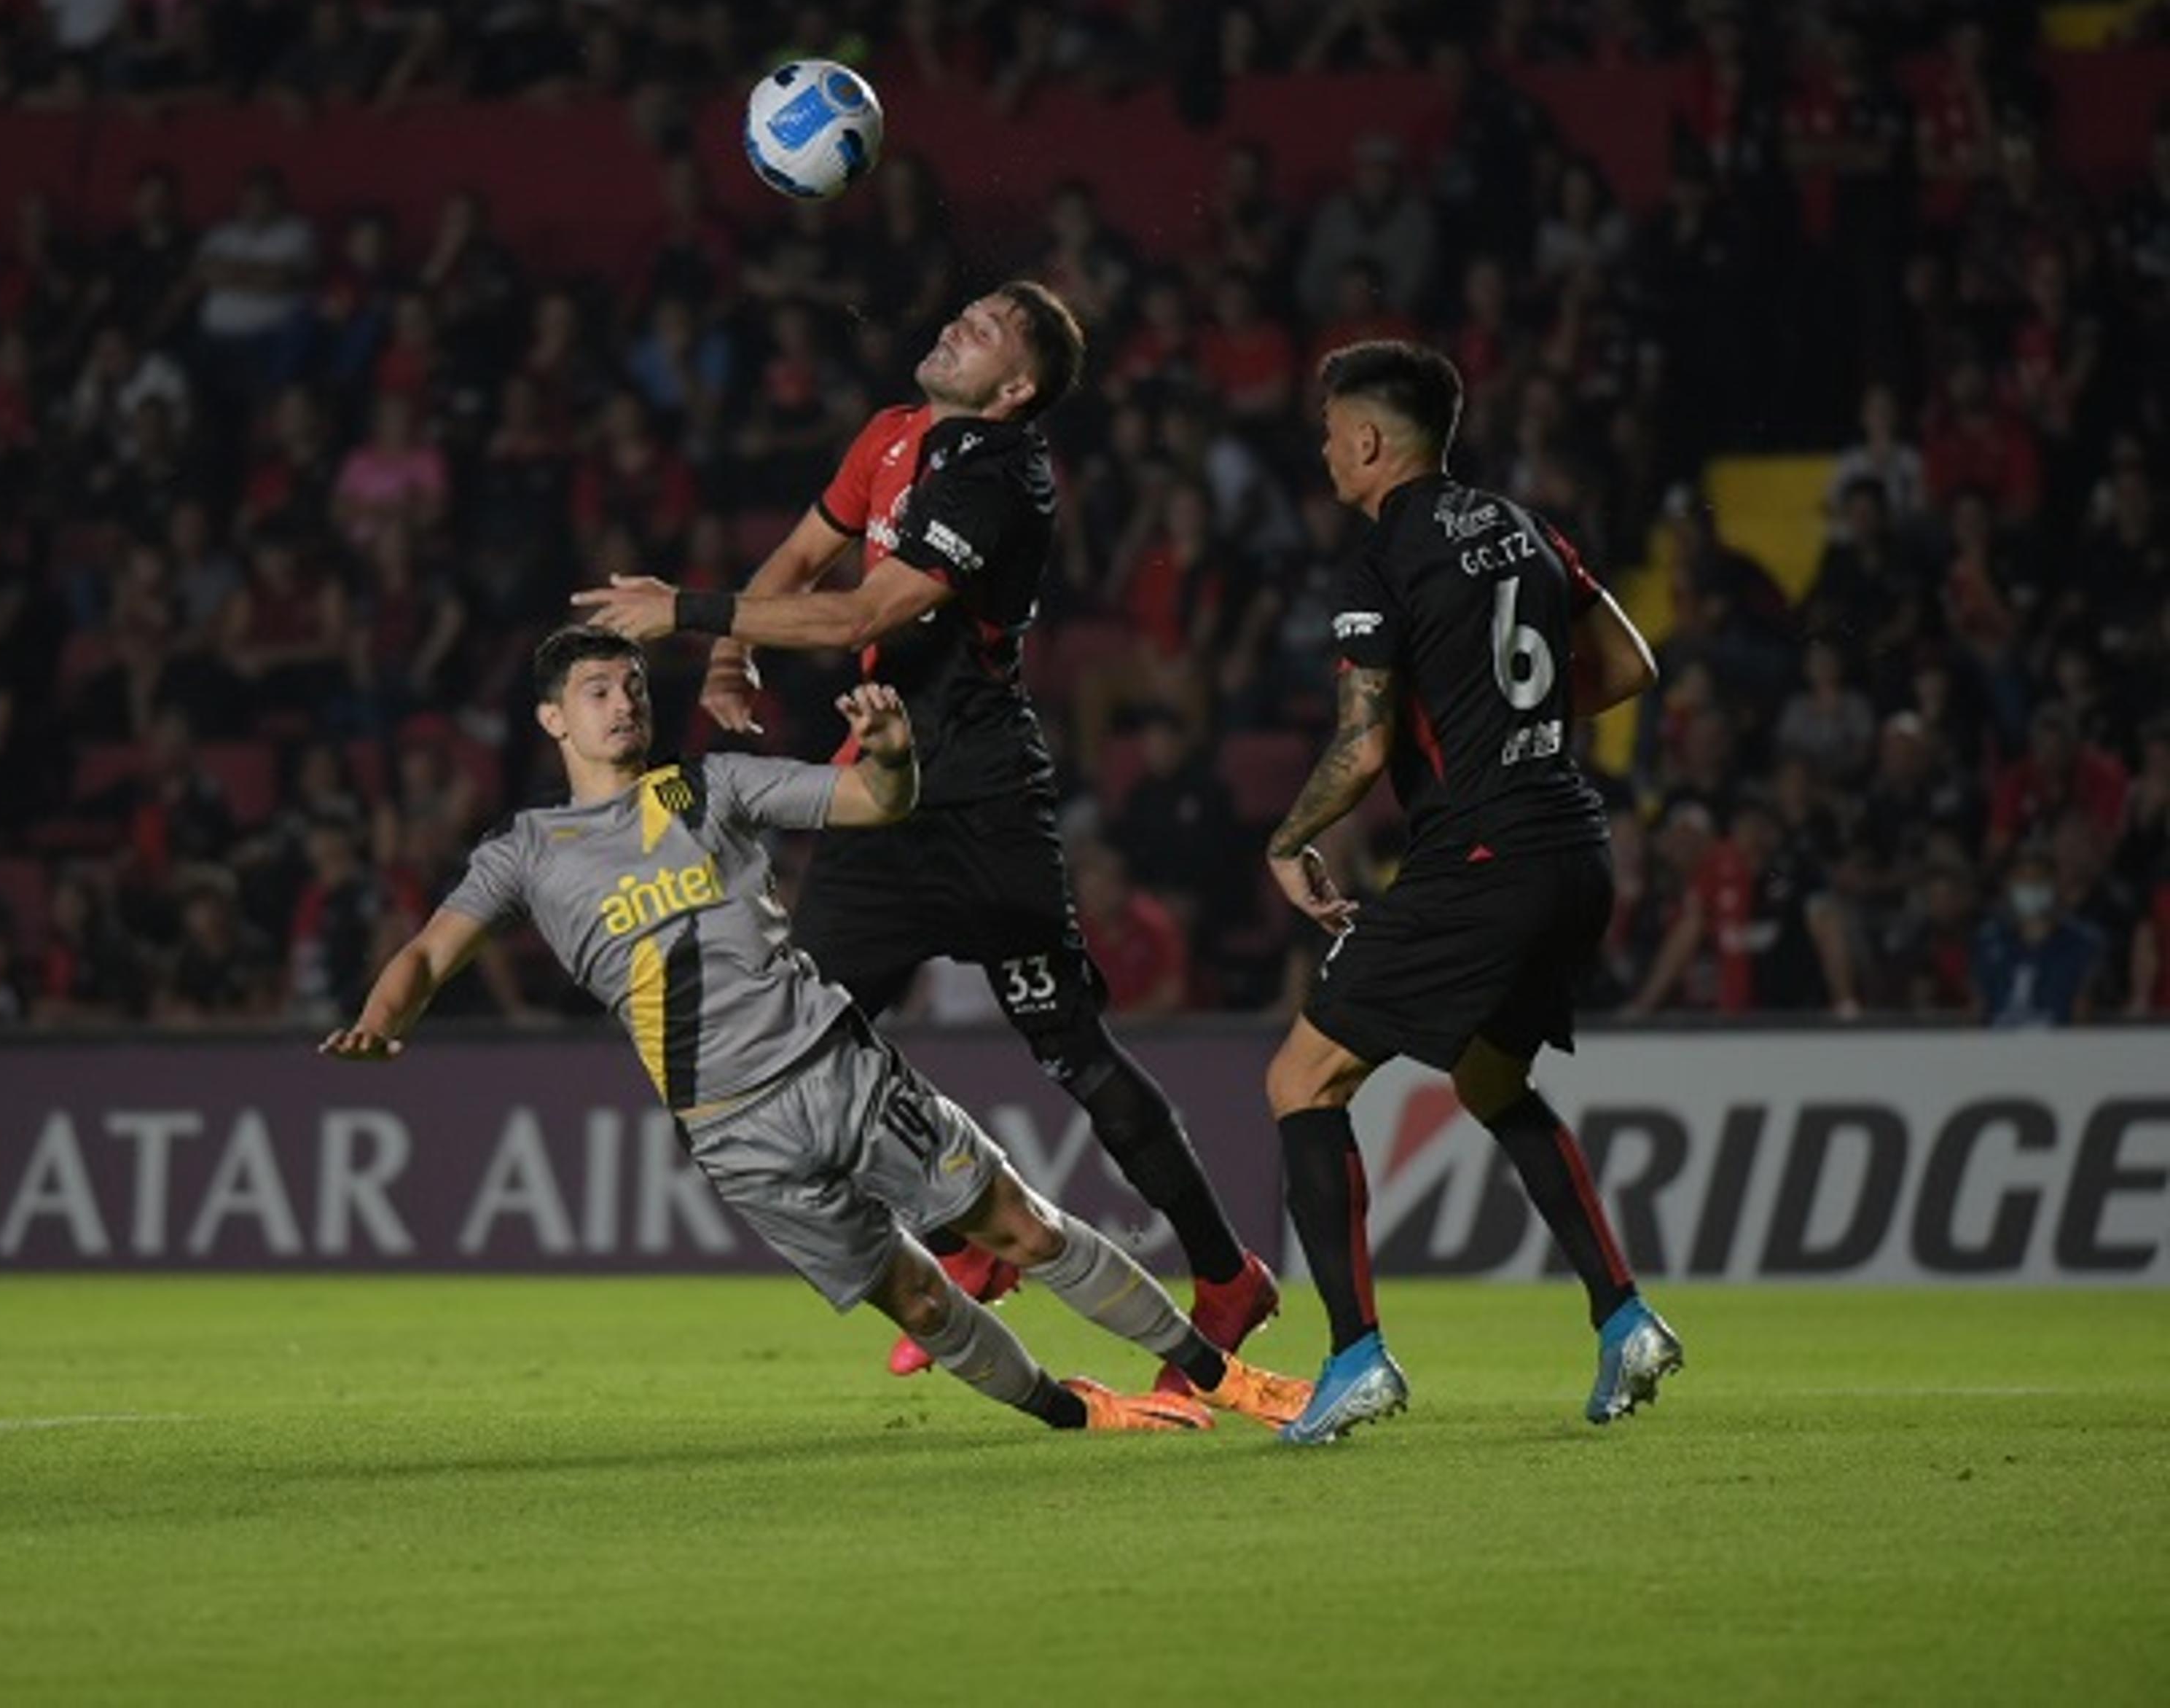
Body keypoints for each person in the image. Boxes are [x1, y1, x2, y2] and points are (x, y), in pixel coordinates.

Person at [324, 627, 1309, 1435]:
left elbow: (873, 802)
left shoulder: (712, 788)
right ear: (551, 718)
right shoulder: (526, 854)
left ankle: (1217, 1372)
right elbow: (425, 955)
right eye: (596, 690)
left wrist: (891, 755)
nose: (624, 703)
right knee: (922, 1305)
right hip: (731, 1134)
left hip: (836, 1068)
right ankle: (1074, 1413)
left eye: (633, 685)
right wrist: (380, 1019)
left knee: (1021, 1226)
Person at [571, 284, 1280, 1395]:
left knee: (1072, 1050)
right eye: (970, 307)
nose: (958, 320)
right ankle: (967, 1238)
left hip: (984, 795)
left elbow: (863, 613)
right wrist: (726, 658)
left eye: (990, 327)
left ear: (1016, 389)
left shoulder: (1004, 474)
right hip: (879, 792)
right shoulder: (888, 436)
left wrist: (692, 613)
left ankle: (1226, 1276)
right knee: (810, 1033)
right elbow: (802, 561)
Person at [1253, 340, 1680, 1445]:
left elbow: (1361, 747)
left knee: (1302, 1080)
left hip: (1482, 856)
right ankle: (1623, 1315)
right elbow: (1630, 668)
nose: (1323, 450)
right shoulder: (1525, 527)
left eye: (1330, 431)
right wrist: (1508, 719)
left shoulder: (1384, 559)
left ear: (1367, 440)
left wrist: (1290, 839)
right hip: (1573, 848)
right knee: (1492, 1080)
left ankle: (1354, 1357)